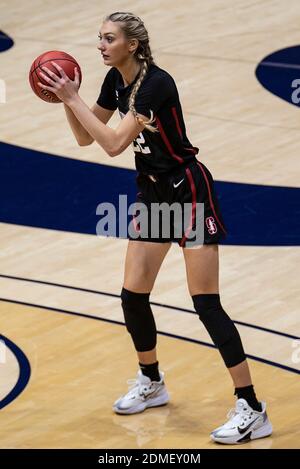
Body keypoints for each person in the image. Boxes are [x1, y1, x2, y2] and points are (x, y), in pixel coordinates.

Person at [37, 11, 273, 445]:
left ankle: (252, 407)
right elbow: (87, 137)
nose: (101, 46)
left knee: (206, 303)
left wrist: (72, 100)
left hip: (189, 193)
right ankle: (152, 380)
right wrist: (67, 101)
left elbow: (112, 144)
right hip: (153, 192)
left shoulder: (156, 85)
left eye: (109, 39)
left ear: (133, 45)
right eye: (99, 38)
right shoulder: (114, 81)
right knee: (133, 295)